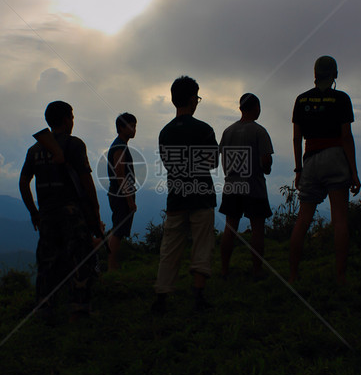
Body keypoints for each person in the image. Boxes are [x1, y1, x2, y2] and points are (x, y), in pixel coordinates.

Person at [19, 101, 104, 322]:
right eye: (72, 117)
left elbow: (23, 182)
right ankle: (79, 309)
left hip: (46, 213)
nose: (73, 121)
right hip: (72, 212)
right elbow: (86, 181)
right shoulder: (75, 144)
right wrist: (95, 212)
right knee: (79, 259)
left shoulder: (35, 149)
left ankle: (44, 309)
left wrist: (33, 211)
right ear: (67, 119)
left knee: (47, 262)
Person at [289, 56, 361, 284]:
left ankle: (292, 276)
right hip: (336, 157)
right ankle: (340, 275)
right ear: (335, 74)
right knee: (339, 219)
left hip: (310, 159)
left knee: (303, 219)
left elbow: (297, 137)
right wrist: (354, 171)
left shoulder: (301, 100)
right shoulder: (341, 99)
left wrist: (299, 169)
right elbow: (346, 137)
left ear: (315, 73)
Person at [152, 76, 219, 313]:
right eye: (197, 98)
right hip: (201, 195)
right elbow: (212, 162)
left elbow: (170, 165)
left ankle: (162, 296)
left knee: (170, 247)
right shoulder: (204, 129)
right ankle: (198, 296)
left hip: (176, 196)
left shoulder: (165, 133)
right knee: (202, 245)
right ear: (193, 99)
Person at [219, 93, 274, 280]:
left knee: (230, 227)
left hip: (232, 186)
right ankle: (257, 271)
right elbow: (266, 159)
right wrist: (266, 168)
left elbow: (223, 159)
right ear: (255, 108)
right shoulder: (259, 131)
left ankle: (224, 269)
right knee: (257, 229)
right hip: (254, 186)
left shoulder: (228, 131)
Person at [106, 113, 138, 272]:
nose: (134, 129)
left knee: (118, 229)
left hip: (118, 194)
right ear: (120, 128)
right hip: (120, 195)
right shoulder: (119, 146)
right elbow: (120, 173)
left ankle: (112, 263)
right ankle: (111, 265)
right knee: (118, 231)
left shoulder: (120, 145)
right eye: (130, 125)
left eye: (135, 125)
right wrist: (129, 199)